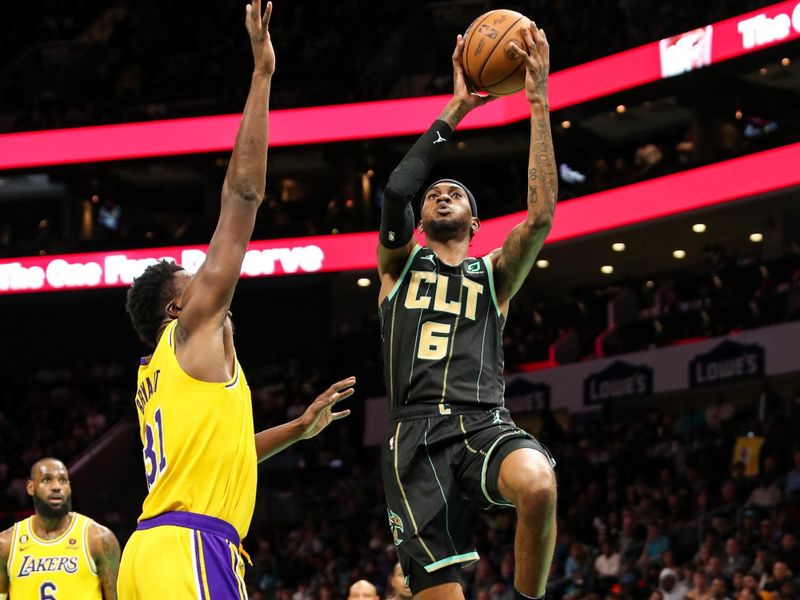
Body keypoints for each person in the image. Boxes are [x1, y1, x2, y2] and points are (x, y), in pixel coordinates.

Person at [117, 2, 355, 597]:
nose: (205, 277)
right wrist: (262, 74)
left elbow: (222, 452)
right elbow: (243, 197)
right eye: (189, 279)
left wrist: (298, 430)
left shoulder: (161, 374)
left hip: (153, 550)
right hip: (190, 546)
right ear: (177, 309)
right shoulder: (194, 328)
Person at [376, 20, 557, 600]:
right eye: (436, 194)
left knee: (540, 487)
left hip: (483, 420)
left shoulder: (494, 274)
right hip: (413, 439)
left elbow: (541, 217)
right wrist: (458, 106)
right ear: (421, 223)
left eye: (456, 193)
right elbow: (398, 192)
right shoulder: (398, 267)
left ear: (476, 222)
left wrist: (537, 101)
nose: (442, 192)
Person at [0, 458, 121, 599]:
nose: (56, 486)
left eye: (63, 480)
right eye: (47, 480)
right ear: (30, 488)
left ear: (69, 487)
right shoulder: (6, 544)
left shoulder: (99, 539)